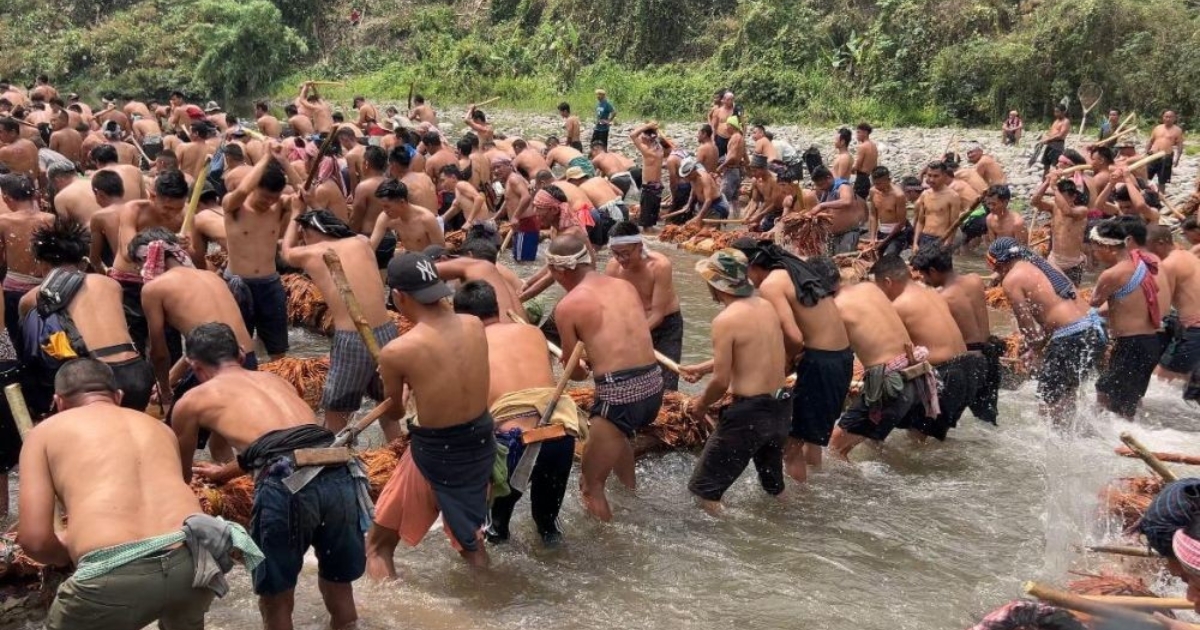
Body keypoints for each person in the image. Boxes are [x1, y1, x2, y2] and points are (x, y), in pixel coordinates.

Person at [19, 358, 262, 630]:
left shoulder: (43, 434)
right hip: (193, 561)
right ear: (118, 396)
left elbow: (35, 541)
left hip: (113, 573)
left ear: (59, 402)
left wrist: (65, 553)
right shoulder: (160, 428)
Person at [171, 324, 366, 630]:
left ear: (195, 367)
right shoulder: (275, 380)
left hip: (287, 486)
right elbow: (286, 444)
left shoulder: (192, 401)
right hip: (337, 468)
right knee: (340, 583)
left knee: (276, 597)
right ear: (239, 354)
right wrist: (224, 472)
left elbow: (180, 475)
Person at [368, 252, 497, 577]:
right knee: (470, 541)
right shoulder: (473, 324)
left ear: (398, 297)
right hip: (480, 443)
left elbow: (394, 410)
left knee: (378, 546)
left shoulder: (397, 351)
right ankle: (490, 601)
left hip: (435, 452)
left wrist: (396, 385)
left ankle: (384, 620)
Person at [452, 280, 583, 546]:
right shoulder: (532, 333)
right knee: (548, 526)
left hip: (513, 443)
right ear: (497, 308)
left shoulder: (465, 347)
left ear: (461, 319)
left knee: (494, 531)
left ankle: (497, 585)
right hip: (560, 433)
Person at [547, 234, 663, 521]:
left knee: (589, 485)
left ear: (559, 271)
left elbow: (574, 371)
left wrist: (581, 367)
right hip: (654, 384)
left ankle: (612, 550)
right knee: (620, 435)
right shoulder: (624, 286)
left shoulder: (568, 306)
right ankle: (629, 494)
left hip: (619, 394)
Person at [722, 240, 850, 480]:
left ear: (752, 266)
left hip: (820, 364)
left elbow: (794, 337)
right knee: (808, 436)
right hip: (840, 359)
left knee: (790, 448)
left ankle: (797, 508)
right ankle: (815, 479)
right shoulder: (791, 269)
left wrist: (786, 363)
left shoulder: (771, 285)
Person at [686, 250, 789, 514]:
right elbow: (753, 349)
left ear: (715, 283)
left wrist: (700, 405)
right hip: (780, 406)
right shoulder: (766, 306)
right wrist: (704, 367)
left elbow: (722, 381)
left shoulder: (725, 320)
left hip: (749, 415)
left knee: (704, 493)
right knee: (774, 488)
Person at [18, 217, 153, 415]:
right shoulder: (111, 285)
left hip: (92, 381)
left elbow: (31, 350)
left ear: (42, 265)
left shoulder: (33, 298)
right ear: (82, 262)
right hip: (136, 374)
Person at [283, 209, 399, 436]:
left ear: (310, 232)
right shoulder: (362, 242)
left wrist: (294, 212)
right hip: (387, 332)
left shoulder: (313, 252)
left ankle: (341, 462)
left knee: (336, 412)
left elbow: (286, 253)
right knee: (386, 405)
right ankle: (396, 452)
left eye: (303, 234)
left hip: (353, 340)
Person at [988, 237, 1105, 421]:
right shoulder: (1045, 265)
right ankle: (1072, 440)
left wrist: (1034, 351)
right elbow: (1058, 316)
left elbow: (1026, 326)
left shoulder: (1012, 279)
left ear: (1000, 263)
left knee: (1047, 405)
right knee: (1067, 394)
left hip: (1071, 337)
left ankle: (1059, 445)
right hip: (1094, 330)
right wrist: (1041, 346)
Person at [870, 254, 982, 441]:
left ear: (887, 282)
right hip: (970, 369)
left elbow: (886, 349)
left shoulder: (899, 305)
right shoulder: (932, 292)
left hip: (945, 374)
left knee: (912, 440)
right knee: (930, 441)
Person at [911, 245, 1001, 424]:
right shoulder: (975, 280)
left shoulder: (941, 298)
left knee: (930, 424)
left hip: (967, 363)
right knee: (987, 421)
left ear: (933, 271)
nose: (922, 278)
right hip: (989, 356)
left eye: (923, 274)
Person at [221, 150, 297, 361]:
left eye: (273, 198)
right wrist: (264, 157)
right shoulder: (233, 206)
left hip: (269, 283)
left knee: (278, 348)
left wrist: (284, 162)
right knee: (237, 347)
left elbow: (307, 194)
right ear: (254, 188)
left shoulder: (280, 205)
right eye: (265, 197)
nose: (268, 203)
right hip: (238, 282)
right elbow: (243, 188)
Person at [1089, 218, 1163, 418]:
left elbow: (1095, 302)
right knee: (1121, 399)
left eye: (1096, 249)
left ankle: (1114, 441)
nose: (1094, 254)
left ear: (1109, 248)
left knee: (1110, 398)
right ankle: (1120, 436)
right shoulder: (1137, 263)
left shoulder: (1111, 274)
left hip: (1133, 344)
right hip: (1148, 342)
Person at [605, 222, 683, 390]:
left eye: (626, 253)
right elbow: (611, 307)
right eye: (616, 254)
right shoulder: (613, 268)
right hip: (634, 323)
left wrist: (632, 336)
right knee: (629, 381)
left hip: (665, 325)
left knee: (667, 384)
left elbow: (657, 314)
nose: (621, 259)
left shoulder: (659, 266)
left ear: (639, 246)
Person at [0, 173, 53, 346]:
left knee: (18, 337)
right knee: (47, 336)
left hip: (14, 288)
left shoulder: (4, 221)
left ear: (7, 198)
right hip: (46, 286)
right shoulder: (49, 219)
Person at [1149, 226, 1200, 398]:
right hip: (1193, 327)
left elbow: (1161, 309)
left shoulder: (1168, 265)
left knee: (1157, 386)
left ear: (1161, 243)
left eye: (1147, 248)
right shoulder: (1186, 254)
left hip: (1194, 330)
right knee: (1188, 391)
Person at [1030, 171, 1090, 285]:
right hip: (1054, 260)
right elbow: (1034, 202)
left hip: (1072, 263)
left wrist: (1055, 188)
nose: (1058, 199)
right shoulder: (1054, 206)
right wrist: (1047, 182)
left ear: (1074, 196)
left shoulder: (1082, 211)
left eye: (1062, 197)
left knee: (1071, 297)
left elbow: (1067, 211)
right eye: (1058, 196)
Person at [913, 161, 964, 251]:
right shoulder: (925, 194)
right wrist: (915, 242)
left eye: (936, 176)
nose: (932, 179)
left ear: (944, 176)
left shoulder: (952, 196)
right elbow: (920, 221)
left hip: (941, 239)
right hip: (925, 238)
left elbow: (953, 225)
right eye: (929, 175)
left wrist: (947, 243)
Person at [811, 165, 860, 255]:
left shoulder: (843, 186)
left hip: (847, 234)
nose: (820, 187)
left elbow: (846, 201)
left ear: (828, 178)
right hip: (833, 236)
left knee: (844, 261)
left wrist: (822, 205)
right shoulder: (827, 191)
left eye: (821, 184)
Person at [867, 166, 912, 258]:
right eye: (874, 183)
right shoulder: (873, 191)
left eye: (879, 184)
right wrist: (872, 238)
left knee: (888, 258)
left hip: (897, 234)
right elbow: (873, 215)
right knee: (878, 260)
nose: (877, 187)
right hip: (882, 231)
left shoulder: (898, 195)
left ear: (888, 180)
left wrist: (885, 241)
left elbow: (901, 223)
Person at [629, 122, 665, 228]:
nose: (641, 137)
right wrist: (652, 130)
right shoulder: (659, 148)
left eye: (643, 135)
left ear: (649, 138)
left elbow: (632, 135)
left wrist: (647, 126)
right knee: (651, 220)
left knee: (646, 225)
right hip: (657, 188)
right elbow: (657, 137)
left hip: (649, 188)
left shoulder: (648, 151)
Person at [679, 157, 730, 222]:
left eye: (688, 175)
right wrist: (688, 204)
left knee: (708, 230)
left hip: (715, 206)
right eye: (686, 176)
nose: (687, 178)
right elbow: (693, 191)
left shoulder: (704, 179)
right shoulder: (692, 178)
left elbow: (708, 200)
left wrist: (699, 217)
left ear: (694, 171)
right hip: (702, 205)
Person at [1146, 110, 1185, 192]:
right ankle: (1145, 196)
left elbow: (1180, 145)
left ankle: (1161, 199)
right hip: (1153, 155)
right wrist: (1146, 151)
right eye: (1166, 116)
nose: (1168, 119)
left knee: (1162, 180)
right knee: (1145, 177)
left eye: (1170, 117)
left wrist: (1177, 159)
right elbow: (1150, 140)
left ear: (1174, 118)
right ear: (1163, 117)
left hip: (1166, 157)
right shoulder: (1157, 128)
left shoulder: (1177, 130)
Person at [715, 116, 746, 218]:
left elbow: (732, 157)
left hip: (731, 171)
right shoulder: (740, 137)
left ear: (731, 126)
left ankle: (720, 224)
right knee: (735, 199)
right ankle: (737, 221)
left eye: (727, 126)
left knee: (723, 199)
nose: (726, 128)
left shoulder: (735, 138)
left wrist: (721, 167)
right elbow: (745, 157)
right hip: (736, 171)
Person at [1041, 104, 1070, 175]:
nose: (1055, 114)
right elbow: (1051, 132)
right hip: (1050, 145)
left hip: (1057, 146)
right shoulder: (1056, 121)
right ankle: (1044, 183)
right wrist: (1045, 137)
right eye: (1055, 112)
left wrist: (1048, 139)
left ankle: (1054, 183)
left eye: (1057, 112)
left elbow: (1060, 135)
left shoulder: (1066, 122)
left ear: (1063, 112)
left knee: (1056, 166)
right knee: (1046, 165)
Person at [852, 123, 877, 200]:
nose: (857, 135)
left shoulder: (862, 146)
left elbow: (857, 165)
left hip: (861, 178)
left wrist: (849, 170)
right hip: (869, 177)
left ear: (865, 133)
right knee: (863, 202)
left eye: (859, 132)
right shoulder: (873, 145)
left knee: (857, 202)